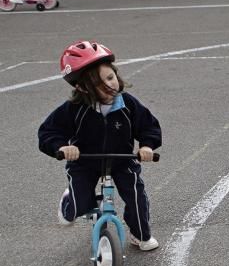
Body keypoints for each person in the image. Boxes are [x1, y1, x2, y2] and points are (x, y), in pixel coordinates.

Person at [38, 40, 162, 251]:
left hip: (122, 159)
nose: (109, 85)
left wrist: (147, 146)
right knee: (80, 204)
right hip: (85, 162)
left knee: (136, 196)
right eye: (98, 84)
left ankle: (139, 234)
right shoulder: (75, 108)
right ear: (81, 87)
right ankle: (68, 203)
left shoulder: (127, 104)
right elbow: (49, 131)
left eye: (110, 77)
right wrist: (61, 147)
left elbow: (148, 126)